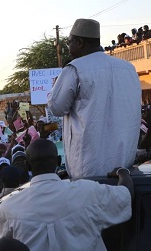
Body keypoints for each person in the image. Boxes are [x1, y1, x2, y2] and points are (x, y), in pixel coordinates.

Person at [0, 138, 134, 251]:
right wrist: (123, 173)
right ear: (58, 160)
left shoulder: (9, 207)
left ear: (28, 165)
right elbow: (125, 196)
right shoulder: (86, 192)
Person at [48, 18, 141, 179]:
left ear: (80, 42)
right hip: (124, 175)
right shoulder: (128, 69)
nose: (68, 47)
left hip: (88, 174)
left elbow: (56, 107)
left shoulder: (75, 69)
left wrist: (56, 86)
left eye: (70, 42)